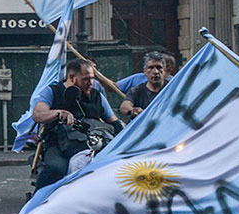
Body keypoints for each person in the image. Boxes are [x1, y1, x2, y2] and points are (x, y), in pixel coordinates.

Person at [29, 59, 122, 190]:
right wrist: (57, 113)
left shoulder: (97, 96)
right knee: (56, 169)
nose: (91, 83)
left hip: (91, 143)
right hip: (58, 145)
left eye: (92, 79)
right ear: (72, 78)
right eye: (86, 79)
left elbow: (115, 122)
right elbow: (38, 114)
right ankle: (39, 204)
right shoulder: (52, 92)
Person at [118, 52, 170, 117]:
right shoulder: (137, 90)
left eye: (159, 67)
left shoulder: (172, 88)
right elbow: (124, 107)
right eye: (151, 68)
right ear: (145, 71)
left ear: (164, 70)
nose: (156, 72)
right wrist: (133, 110)